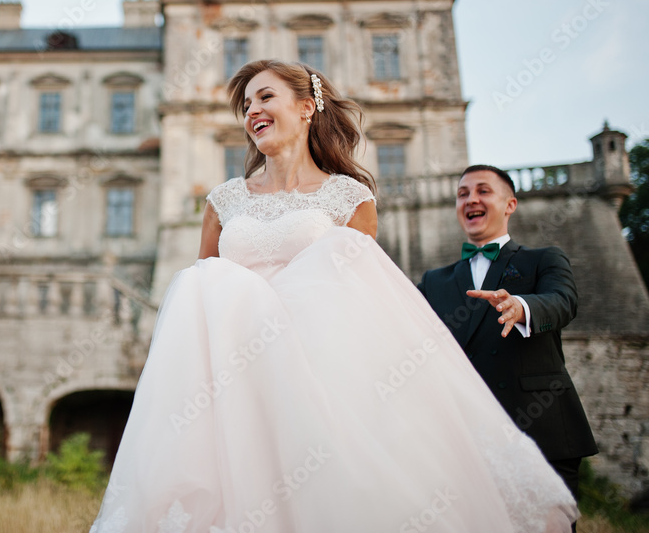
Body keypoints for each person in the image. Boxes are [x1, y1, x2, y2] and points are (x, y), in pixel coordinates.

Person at [89, 60, 577, 533]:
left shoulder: (349, 198)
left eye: (265, 96)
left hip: (317, 368)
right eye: (245, 104)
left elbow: (366, 297)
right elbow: (206, 286)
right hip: (234, 371)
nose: (252, 110)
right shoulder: (225, 200)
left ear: (306, 107)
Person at [417, 165, 598, 507]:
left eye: (483, 191)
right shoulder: (434, 281)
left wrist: (521, 307)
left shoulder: (543, 259)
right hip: (467, 440)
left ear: (510, 204)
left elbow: (563, 303)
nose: (471, 199)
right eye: (463, 194)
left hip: (540, 430)